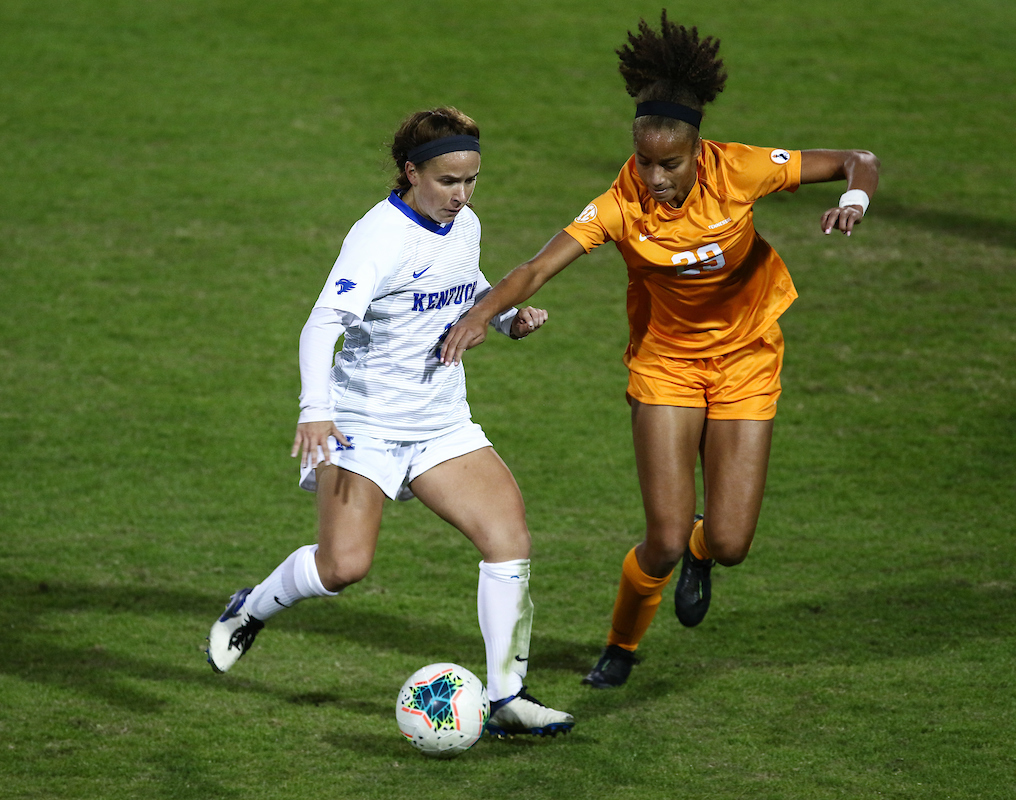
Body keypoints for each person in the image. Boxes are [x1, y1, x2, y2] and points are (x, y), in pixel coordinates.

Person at [439, 13, 879, 689]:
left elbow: (859, 160)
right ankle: (621, 644)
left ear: (698, 151)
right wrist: (480, 315)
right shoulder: (621, 204)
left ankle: (706, 548)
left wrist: (853, 199)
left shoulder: (741, 169)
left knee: (728, 543)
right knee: (664, 539)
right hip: (666, 365)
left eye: (669, 164)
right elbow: (536, 268)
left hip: (747, 359)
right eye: (644, 161)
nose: (654, 176)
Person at [207, 108, 574, 736]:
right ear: (412, 172)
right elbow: (322, 325)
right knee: (343, 567)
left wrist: (505, 319)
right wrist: (316, 411)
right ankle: (251, 607)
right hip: (365, 423)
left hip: (440, 422)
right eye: (448, 181)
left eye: (471, 180)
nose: (461, 195)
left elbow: (466, 283)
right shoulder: (378, 238)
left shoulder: (464, 224)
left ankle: (507, 698)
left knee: (508, 540)